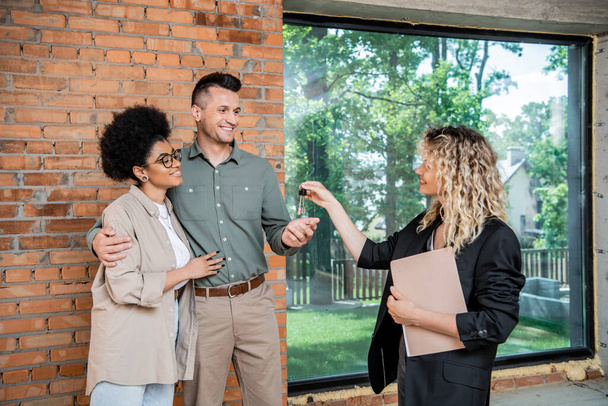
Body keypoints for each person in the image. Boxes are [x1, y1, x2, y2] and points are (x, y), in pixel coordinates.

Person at [87, 73, 319, 406]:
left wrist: (292, 236)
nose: (232, 119)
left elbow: (277, 233)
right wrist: (94, 239)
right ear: (197, 113)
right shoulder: (172, 166)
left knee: (268, 399)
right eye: (223, 110)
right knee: (202, 401)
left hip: (255, 301)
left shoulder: (259, 170)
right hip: (202, 306)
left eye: (237, 111)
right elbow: (125, 215)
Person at [300, 125, 525, 406]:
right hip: (412, 367)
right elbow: (370, 254)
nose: (419, 170)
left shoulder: (495, 237)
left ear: (455, 171)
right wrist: (331, 205)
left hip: (456, 378)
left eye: (428, 164)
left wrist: (415, 316)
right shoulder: (425, 225)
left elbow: (496, 323)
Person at [86, 106, 223, 405]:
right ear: (140, 172)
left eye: (173, 155)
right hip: (127, 340)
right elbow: (124, 286)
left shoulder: (169, 210)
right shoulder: (121, 213)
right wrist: (189, 270)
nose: (175, 163)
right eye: (164, 160)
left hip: (163, 336)